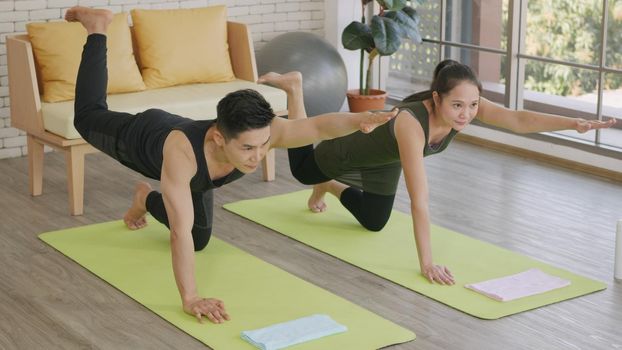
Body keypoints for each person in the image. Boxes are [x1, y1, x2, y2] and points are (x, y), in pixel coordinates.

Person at [65, 6, 397, 324]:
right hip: (141, 139)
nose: (258, 155)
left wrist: (363, 119)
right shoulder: (182, 155)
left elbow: (318, 127)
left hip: (198, 173)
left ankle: (144, 200)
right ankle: (97, 28)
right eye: (248, 147)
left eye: (264, 144)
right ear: (219, 138)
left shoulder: (262, 134)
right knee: (87, 116)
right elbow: (177, 233)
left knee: (200, 241)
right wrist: (191, 297)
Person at [288, 59, 617, 286]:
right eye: (457, 105)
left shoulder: (467, 103)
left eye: (473, 105)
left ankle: (329, 185)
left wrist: (573, 123)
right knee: (302, 170)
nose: (467, 114)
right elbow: (420, 201)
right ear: (436, 98)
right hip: (356, 146)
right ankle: (295, 90)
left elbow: (518, 120)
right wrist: (427, 263)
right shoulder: (411, 124)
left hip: (387, 159)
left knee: (374, 221)